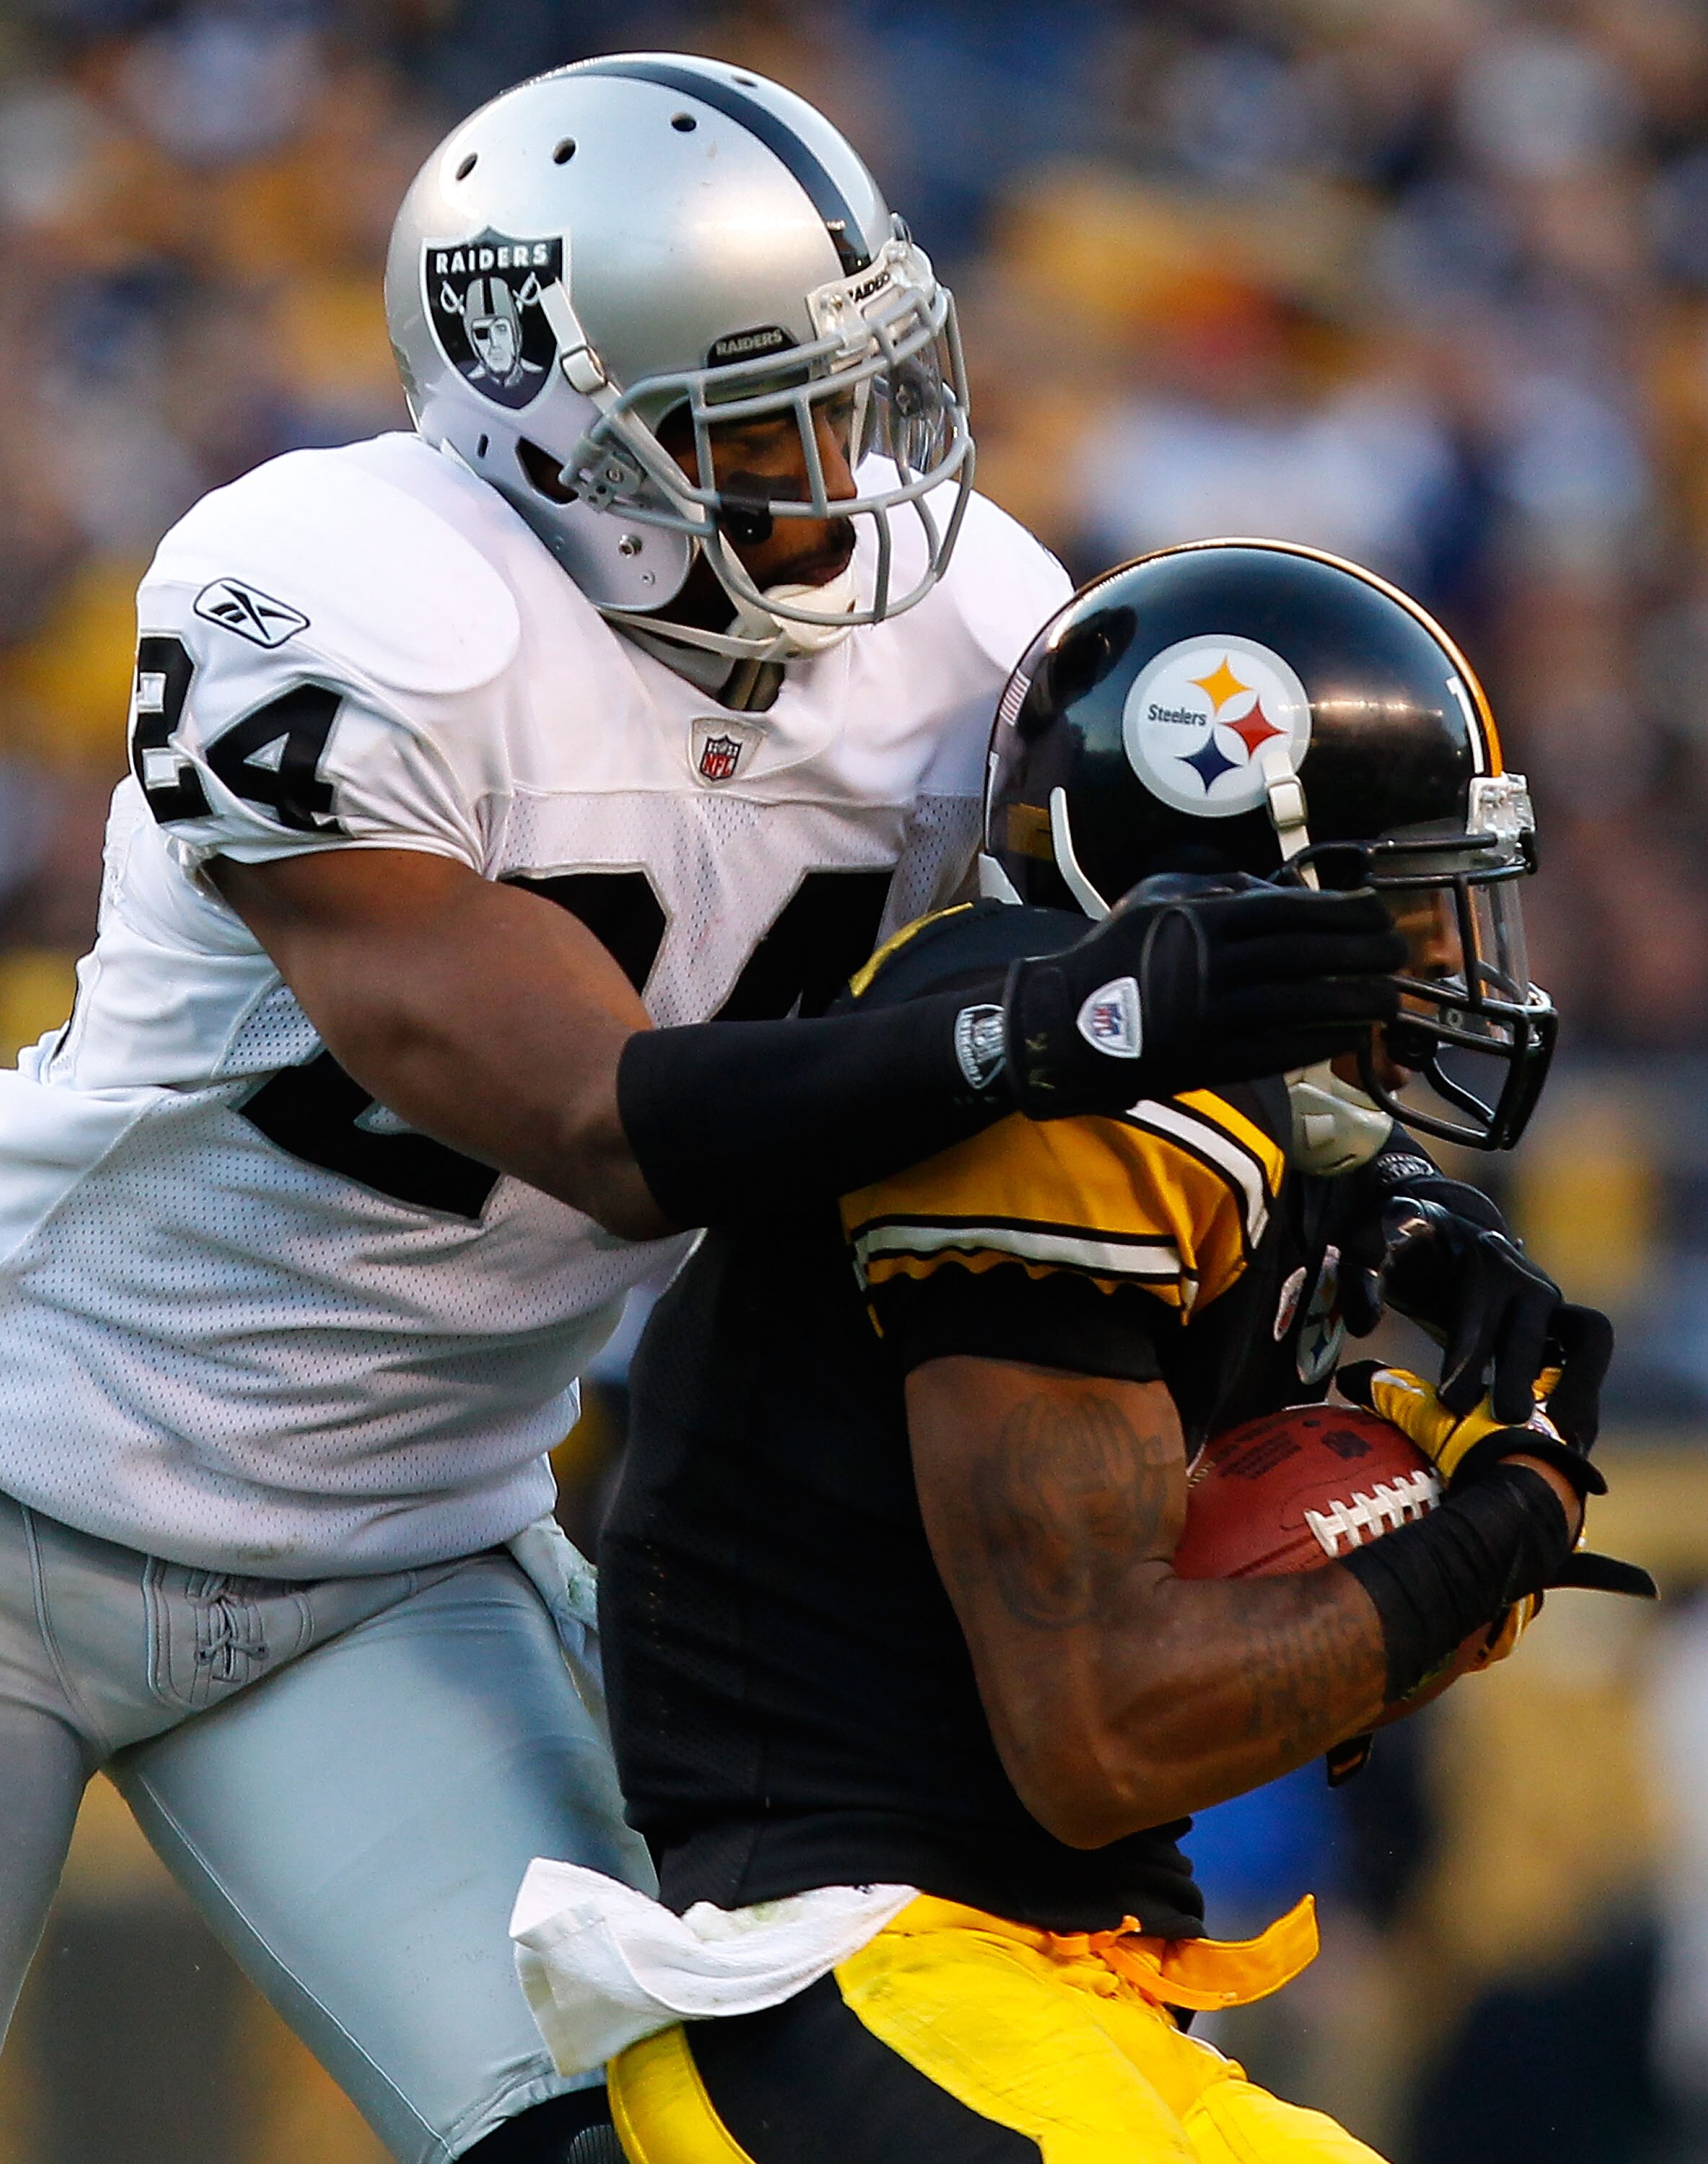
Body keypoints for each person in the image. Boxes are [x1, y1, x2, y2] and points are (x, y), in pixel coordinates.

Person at [0, 58, 1412, 2164]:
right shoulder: (342, 592)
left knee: (652, 2135)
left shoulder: (967, 633)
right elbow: (591, 1112)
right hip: (27, 1471)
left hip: (398, 1560)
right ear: (548, 423)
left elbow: (1093, 1101)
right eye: (763, 419)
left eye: (864, 396)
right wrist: (1038, 1028)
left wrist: (1345, 1195)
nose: (846, 476)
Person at [563, 542, 1651, 2164]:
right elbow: (1101, 1734)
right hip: (859, 1967)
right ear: (1242, 886)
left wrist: (1409, 1217)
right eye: (1402, 905)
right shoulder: (1060, 1109)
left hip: (1058, 1978)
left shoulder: (1184, 1101)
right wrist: (1490, 1540)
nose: (1441, 960)